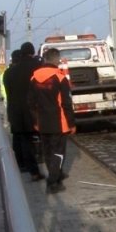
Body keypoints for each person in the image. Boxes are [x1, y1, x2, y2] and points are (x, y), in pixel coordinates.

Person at [29, 47, 76, 194]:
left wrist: (35, 121)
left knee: (48, 151)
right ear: (56, 59)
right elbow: (66, 103)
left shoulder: (34, 78)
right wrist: (72, 123)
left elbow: (30, 102)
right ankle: (53, 182)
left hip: (42, 122)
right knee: (58, 153)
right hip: (59, 122)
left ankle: (57, 174)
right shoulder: (60, 78)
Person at [2, 43, 44, 181]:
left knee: (21, 139)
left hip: (14, 111)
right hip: (33, 110)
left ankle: (23, 166)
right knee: (35, 140)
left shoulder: (8, 73)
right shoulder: (35, 67)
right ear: (31, 52)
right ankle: (36, 171)